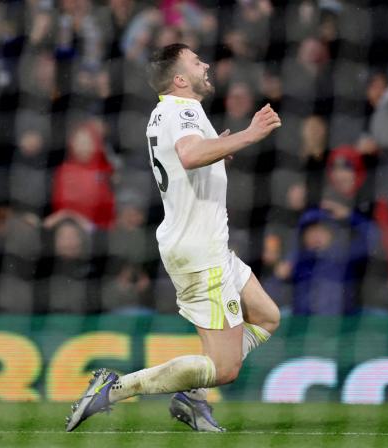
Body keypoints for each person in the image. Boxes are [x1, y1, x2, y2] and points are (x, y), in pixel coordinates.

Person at [66, 43, 281, 432]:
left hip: (206, 242)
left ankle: (191, 399)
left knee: (267, 317)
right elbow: (189, 155)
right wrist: (250, 135)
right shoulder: (183, 109)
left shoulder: (165, 112)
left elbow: (192, 155)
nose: (206, 65)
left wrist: (219, 149)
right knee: (225, 368)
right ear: (180, 78)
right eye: (197, 62)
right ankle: (115, 388)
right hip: (201, 250)